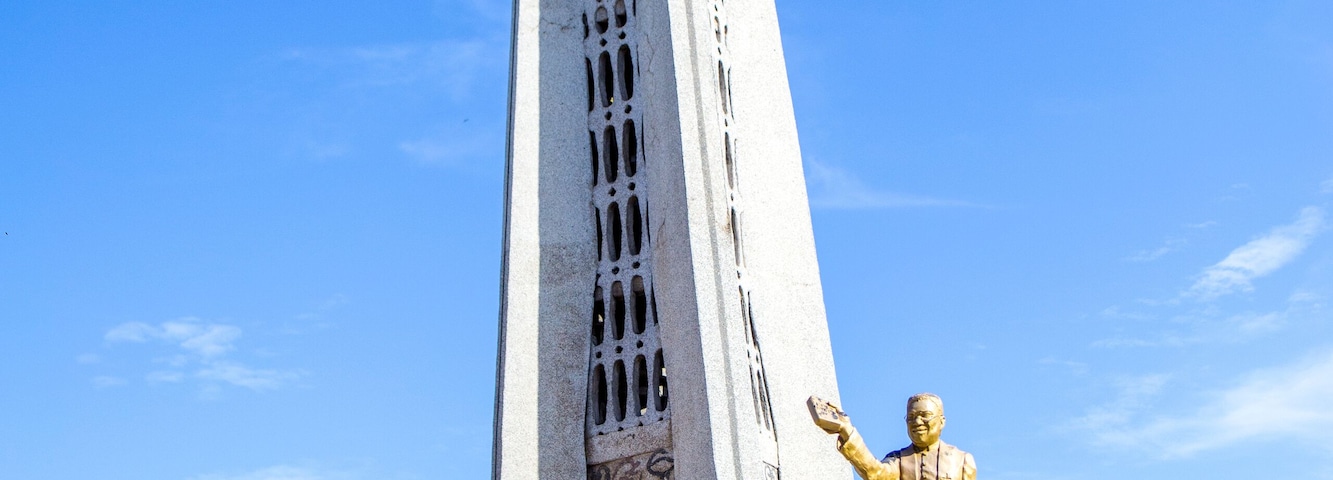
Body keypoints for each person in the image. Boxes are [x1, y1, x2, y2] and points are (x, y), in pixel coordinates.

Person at [829, 393, 976, 480]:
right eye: (911, 417)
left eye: (925, 415)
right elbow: (875, 473)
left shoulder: (961, 460)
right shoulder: (898, 460)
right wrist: (847, 431)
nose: (917, 422)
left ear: (942, 421)